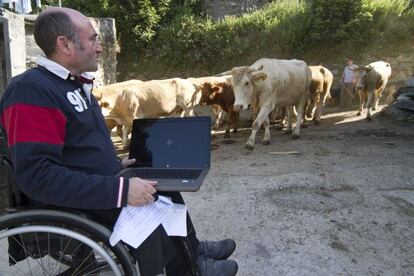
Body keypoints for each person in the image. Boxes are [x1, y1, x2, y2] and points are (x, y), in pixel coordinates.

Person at [0, 7, 238, 276]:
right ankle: (186, 269)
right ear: (64, 45)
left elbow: (77, 148)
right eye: (92, 39)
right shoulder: (31, 92)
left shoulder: (72, 85)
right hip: (66, 200)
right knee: (147, 201)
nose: (100, 48)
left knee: (165, 183)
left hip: (96, 180)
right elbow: (37, 176)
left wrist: (117, 163)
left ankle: (191, 250)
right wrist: (121, 191)